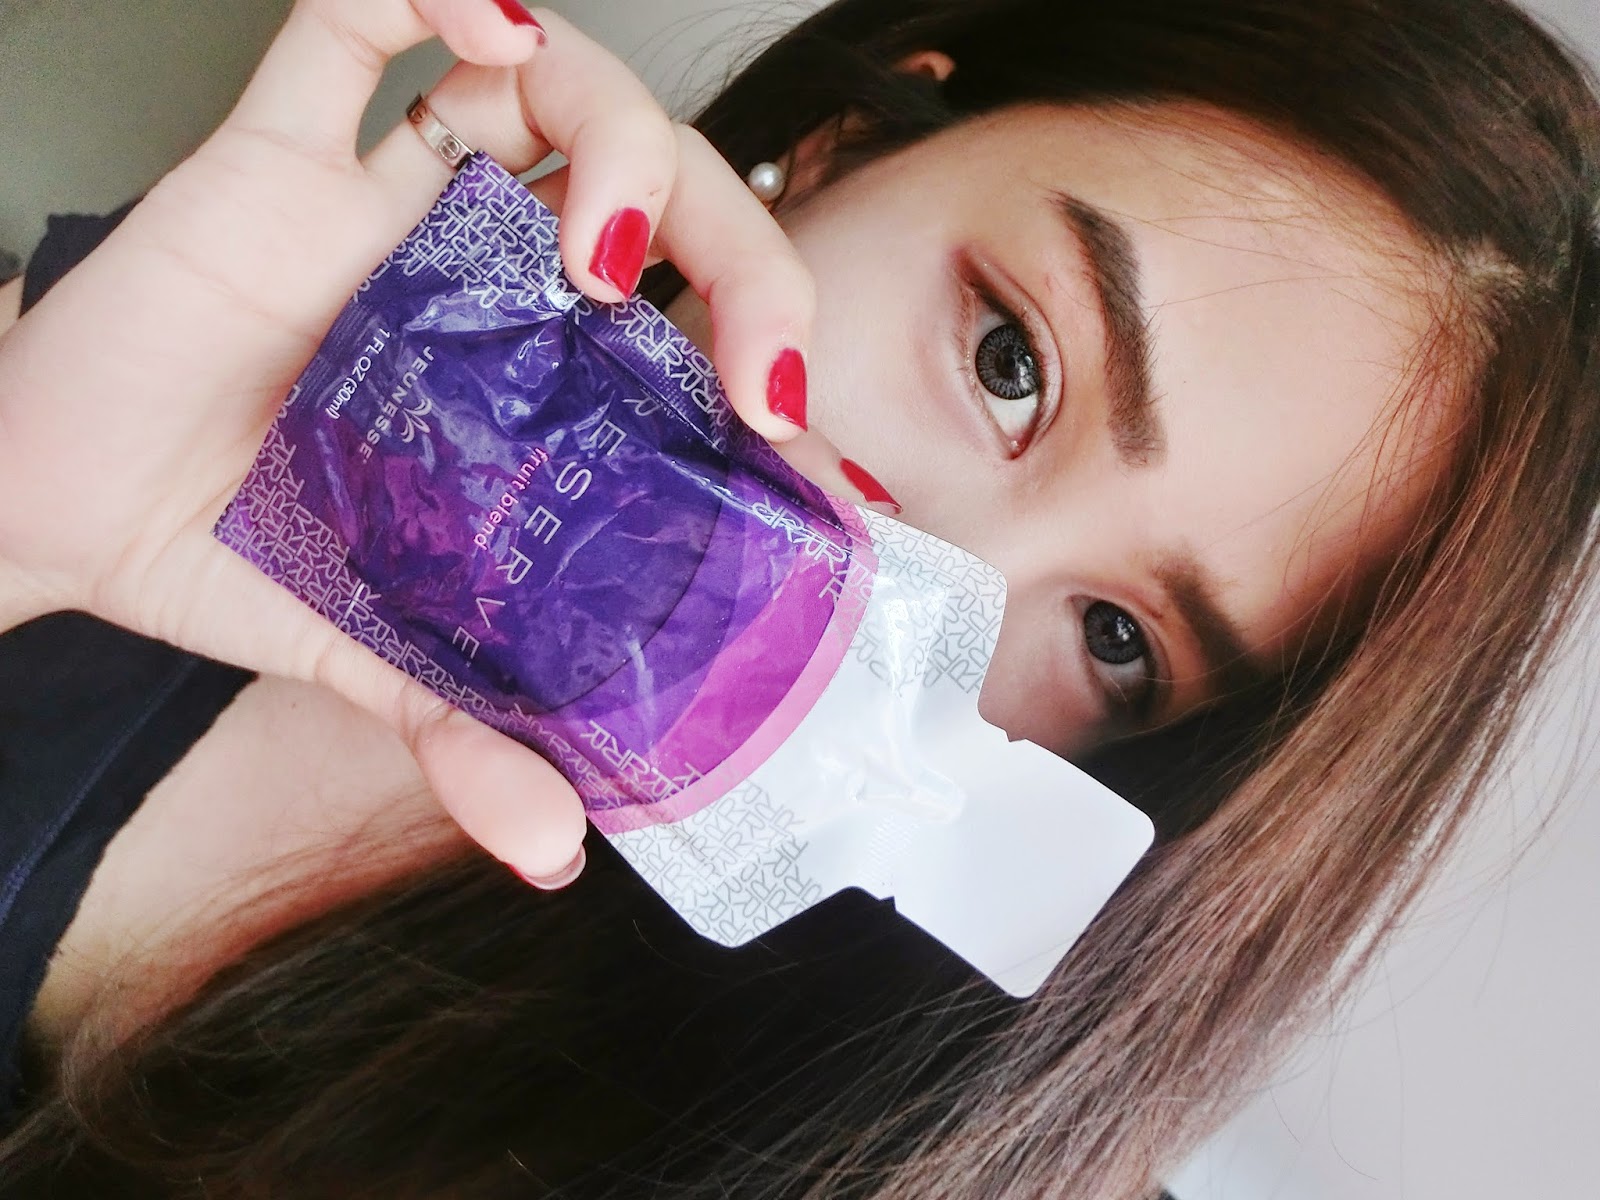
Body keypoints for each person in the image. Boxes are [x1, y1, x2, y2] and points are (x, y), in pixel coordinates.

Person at [0, 0, 1596, 1195]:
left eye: (1119, 642)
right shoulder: (189, 375)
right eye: (1011, 360)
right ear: (843, 142)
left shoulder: (837, 1151)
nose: (931, 581)